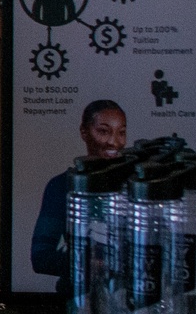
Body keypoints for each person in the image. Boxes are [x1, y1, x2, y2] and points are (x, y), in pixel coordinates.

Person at [29, 98, 127, 281]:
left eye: (121, 133)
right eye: (103, 131)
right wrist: (89, 262)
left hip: (127, 300)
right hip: (77, 296)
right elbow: (40, 258)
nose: (114, 142)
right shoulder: (61, 185)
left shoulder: (134, 186)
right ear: (84, 132)